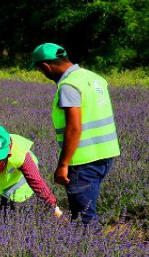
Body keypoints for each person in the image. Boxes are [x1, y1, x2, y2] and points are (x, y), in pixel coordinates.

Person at [29, 43, 120, 224]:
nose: (43, 74)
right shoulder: (94, 78)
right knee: (88, 210)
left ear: (46, 66)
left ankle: (91, 250)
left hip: (83, 160)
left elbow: (74, 127)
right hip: (106, 154)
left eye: (40, 70)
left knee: (83, 218)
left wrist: (63, 164)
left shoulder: (68, 86)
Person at [0, 126, 62, 217]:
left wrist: (53, 206)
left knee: (15, 217)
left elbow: (36, 182)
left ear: (9, 150)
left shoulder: (21, 154)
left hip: (16, 189)